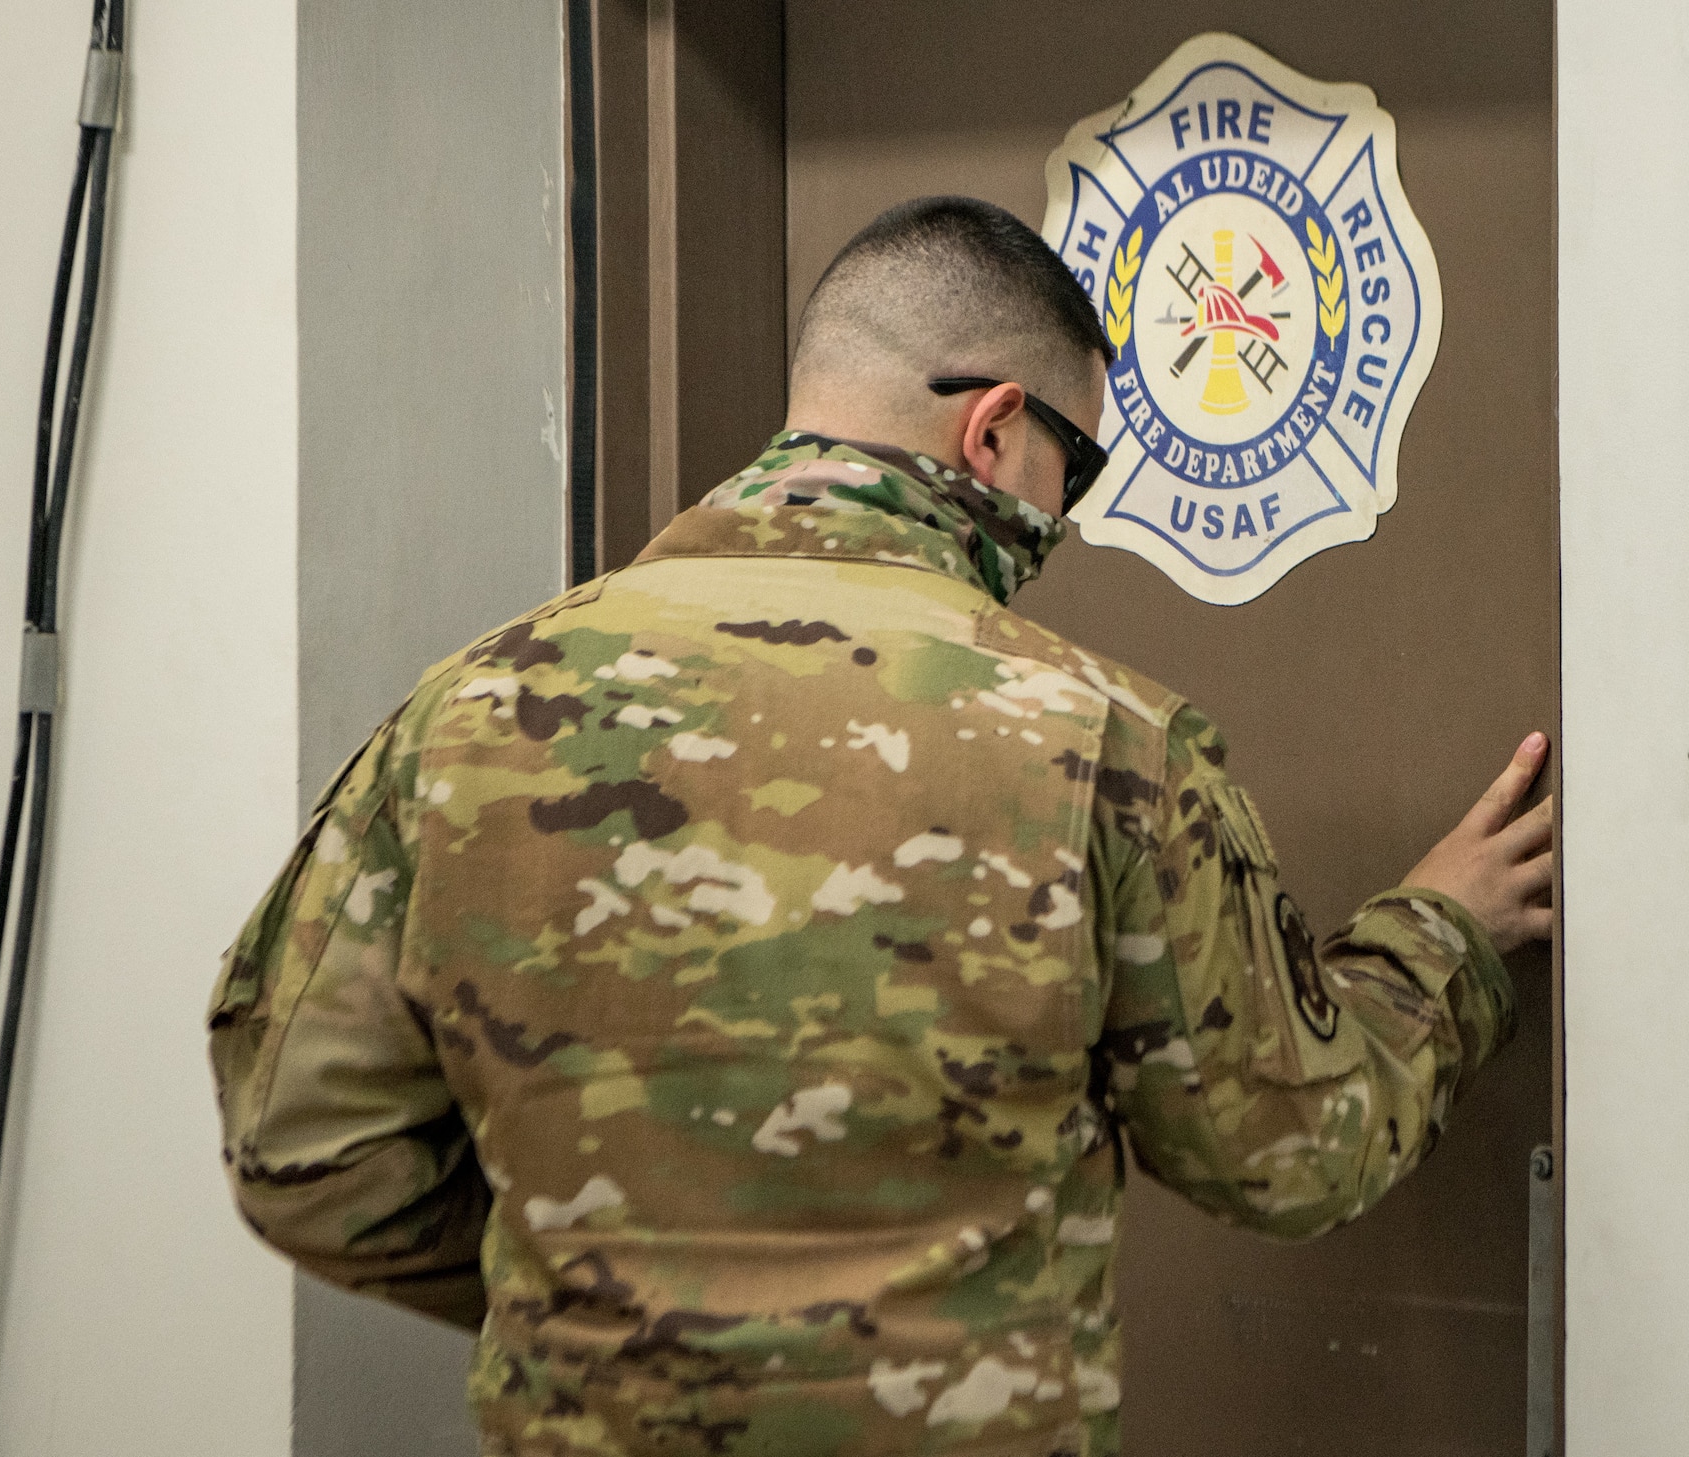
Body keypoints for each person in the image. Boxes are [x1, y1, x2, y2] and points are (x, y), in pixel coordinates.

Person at [206, 196, 1551, 1457]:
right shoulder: (1097, 741)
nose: (1062, 519)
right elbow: (1291, 1150)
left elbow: (305, 1153)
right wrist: (1443, 934)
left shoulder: (467, 714)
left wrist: (607, 1294)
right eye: (1072, 472)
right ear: (997, 430)